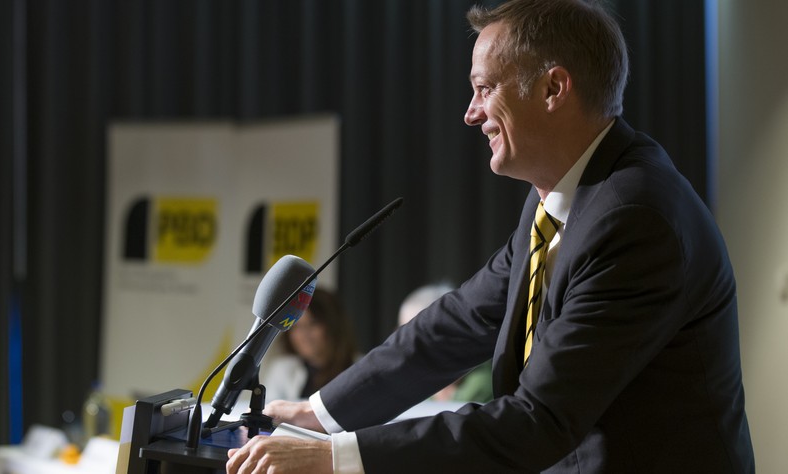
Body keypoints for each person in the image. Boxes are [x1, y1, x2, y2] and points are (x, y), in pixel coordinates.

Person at [226, 1, 755, 472]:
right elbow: (458, 323)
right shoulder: (562, 196)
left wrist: (335, 458)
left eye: (485, 88)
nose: (470, 112)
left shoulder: (634, 217)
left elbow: (538, 420)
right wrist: (316, 414)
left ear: (553, 88)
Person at [398, 283, 492, 403]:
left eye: (418, 340)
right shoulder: (411, 382)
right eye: (401, 337)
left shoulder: (481, 383)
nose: (408, 348)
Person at [261, 287, 358, 402]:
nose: (304, 334)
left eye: (312, 324)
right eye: (297, 326)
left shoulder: (360, 367)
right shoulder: (282, 369)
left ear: (334, 326)